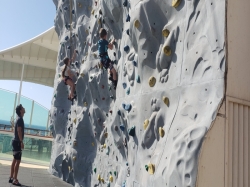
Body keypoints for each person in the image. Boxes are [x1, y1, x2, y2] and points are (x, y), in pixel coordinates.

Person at [9, 104, 25, 186]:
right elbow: (19, 131)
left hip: (15, 141)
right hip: (17, 142)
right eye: (23, 108)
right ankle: (15, 179)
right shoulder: (20, 119)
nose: (24, 108)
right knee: (17, 161)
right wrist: (21, 142)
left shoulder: (18, 119)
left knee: (15, 160)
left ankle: (11, 177)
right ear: (20, 110)